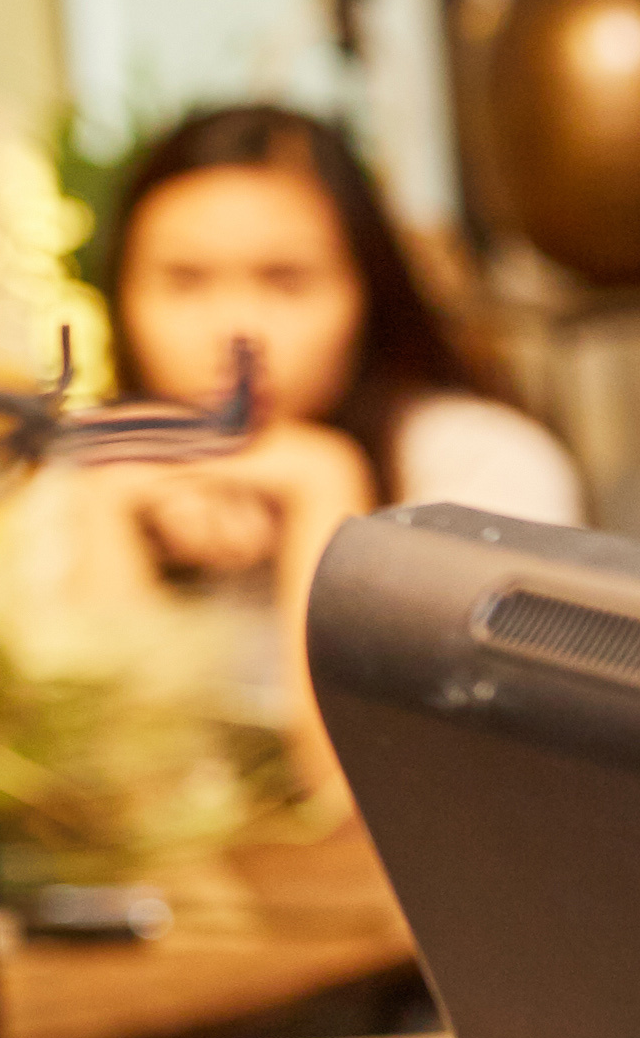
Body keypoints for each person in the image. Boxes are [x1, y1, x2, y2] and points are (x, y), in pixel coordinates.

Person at [30, 104, 579, 796]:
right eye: (184, 281)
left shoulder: (479, 466)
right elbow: (127, 803)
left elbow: (378, 805)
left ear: (366, 291)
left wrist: (325, 493)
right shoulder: (84, 479)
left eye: (285, 280)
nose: (235, 331)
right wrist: (110, 511)